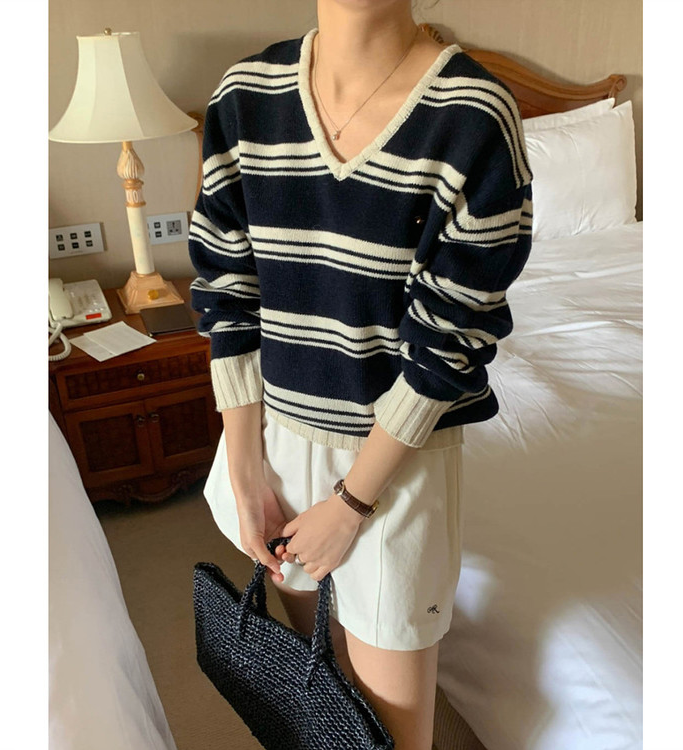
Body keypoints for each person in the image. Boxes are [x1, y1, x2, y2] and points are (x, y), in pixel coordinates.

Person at [188, 1, 533, 747]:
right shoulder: (243, 97)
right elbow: (228, 291)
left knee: (393, 733)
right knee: (316, 698)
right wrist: (245, 471)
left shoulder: (473, 114)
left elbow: (450, 338)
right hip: (274, 448)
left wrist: (350, 503)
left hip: (393, 466)